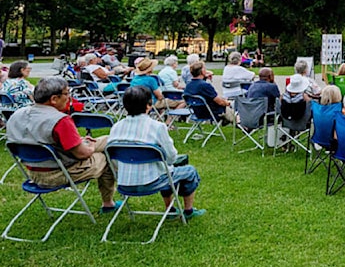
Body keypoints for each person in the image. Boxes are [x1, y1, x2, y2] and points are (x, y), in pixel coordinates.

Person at [5, 77, 118, 213]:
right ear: (54, 99)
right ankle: (108, 203)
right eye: (67, 93)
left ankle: (109, 143)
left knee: (107, 140)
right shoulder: (60, 121)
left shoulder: (16, 115)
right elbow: (83, 154)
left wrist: (80, 141)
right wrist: (90, 147)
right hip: (59, 173)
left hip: (33, 172)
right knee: (105, 156)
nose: (69, 97)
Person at [107, 85, 205, 219]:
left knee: (165, 169)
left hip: (124, 183)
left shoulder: (116, 127)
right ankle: (188, 211)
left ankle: (170, 208)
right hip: (151, 182)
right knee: (188, 171)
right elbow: (171, 158)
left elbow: (113, 159)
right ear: (149, 105)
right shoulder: (157, 127)